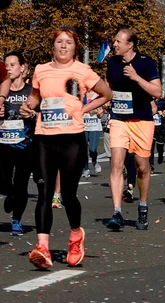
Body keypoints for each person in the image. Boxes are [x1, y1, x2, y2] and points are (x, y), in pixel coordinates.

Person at [20, 28, 111, 269]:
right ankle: (42, 247)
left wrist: (82, 110)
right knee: (45, 193)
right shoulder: (41, 70)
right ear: (53, 46)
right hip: (44, 137)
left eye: (68, 43)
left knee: (69, 195)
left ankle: (75, 237)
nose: (63, 46)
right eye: (59, 42)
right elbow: (35, 97)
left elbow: (106, 94)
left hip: (72, 139)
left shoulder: (83, 71)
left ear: (75, 48)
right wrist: (28, 107)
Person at [105, 28, 162, 231]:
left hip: (141, 120)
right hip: (118, 119)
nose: (115, 44)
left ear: (130, 45)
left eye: (119, 41)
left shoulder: (146, 62)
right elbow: (107, 86)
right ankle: (117, 212)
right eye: (114, 41)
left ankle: (143, 207)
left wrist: (136, 77)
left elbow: (157, 91)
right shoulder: (111, 63)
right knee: (116, 164)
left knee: (141, 167)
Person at [0, 51, 36, 236]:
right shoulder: (0, 91)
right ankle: (9, 193)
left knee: (21, 184)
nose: (9, 68)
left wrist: (32, 115)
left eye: (13, 64)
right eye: (6, 65)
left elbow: (42, 115)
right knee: (4, 181)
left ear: (22, 68)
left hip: (25, 144)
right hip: (3, 144)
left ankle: (16, 220)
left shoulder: (31, 92)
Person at [81, 90, 104, 177]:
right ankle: (86, 169)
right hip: (83, 126)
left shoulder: (97, 95)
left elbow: (100, 114)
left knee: (92, 149)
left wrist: (98, 112)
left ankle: (94, 161)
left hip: (95, 126)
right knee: (83, 149)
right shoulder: (81, 95)